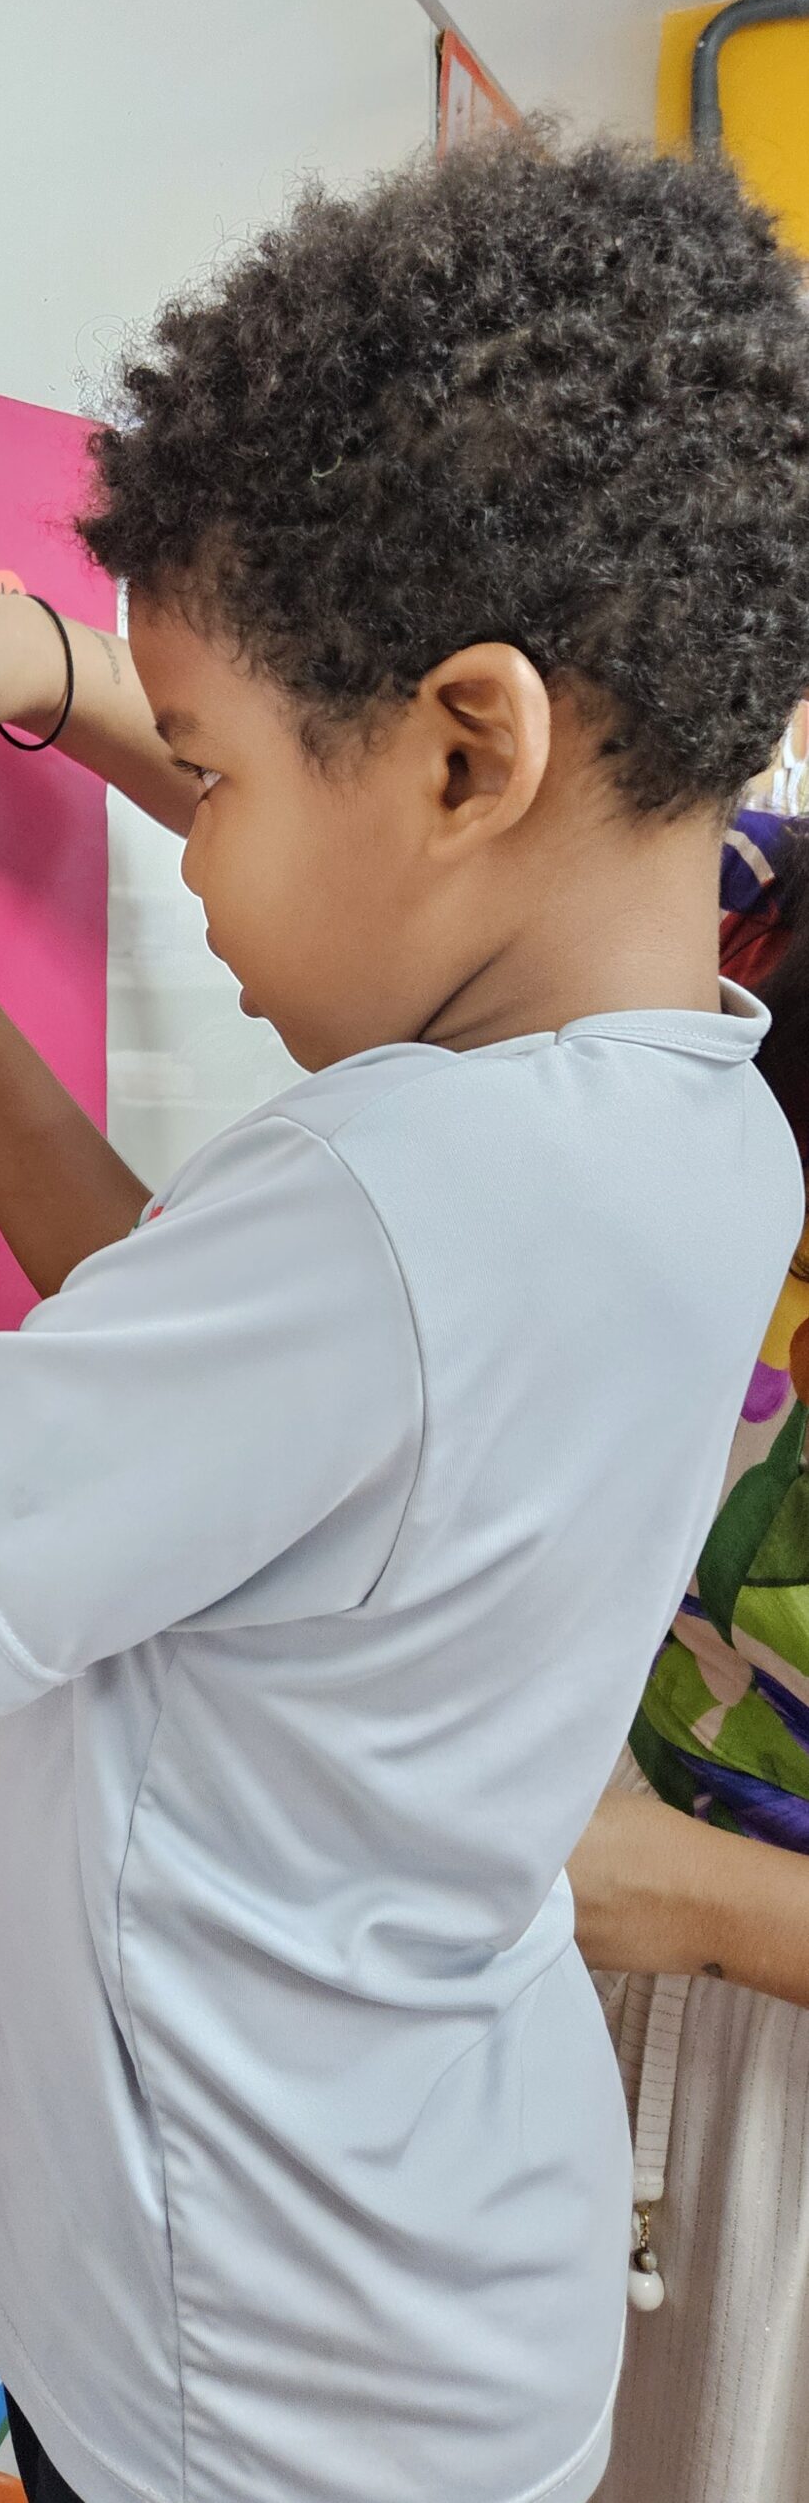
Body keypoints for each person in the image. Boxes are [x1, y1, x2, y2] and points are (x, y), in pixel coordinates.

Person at [0, 136, 809, 2503]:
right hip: (422, 2309)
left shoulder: (411, 1191)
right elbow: (232, 1397)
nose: (185, 847)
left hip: (251, 2400)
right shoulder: (696, 1126)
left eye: (204, 772)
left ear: (468, 749)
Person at [565, 807, 809, 2503]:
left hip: (740, 2026)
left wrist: (702, 1899)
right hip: (580, 1941)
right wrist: (45, 691)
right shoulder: (757, 908)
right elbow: (410, 826)